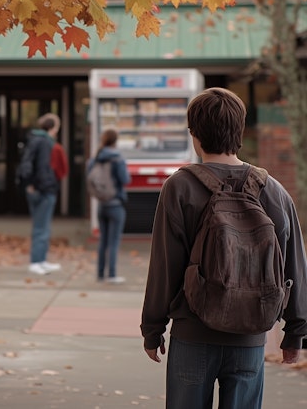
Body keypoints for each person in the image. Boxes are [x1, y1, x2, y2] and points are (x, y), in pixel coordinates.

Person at [140, 87, 307, 408]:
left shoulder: (179, 187)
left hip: (193, 335)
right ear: (239, 131)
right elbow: (294, 265)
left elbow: (165, 265)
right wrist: (296, 331)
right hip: (251, 336)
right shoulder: (273, 190)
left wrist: (153, 327)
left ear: (195, 134)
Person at [18, 113, 68, 275]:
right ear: (53, 127)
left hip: (38, 189)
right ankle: (36, 261)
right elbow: (42, 167)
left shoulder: (36, 140)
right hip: (43, 190)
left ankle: (41, 260)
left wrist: (30, 185)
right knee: (42, 228)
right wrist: (41, 186)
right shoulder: (45, 142)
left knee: (42, 226)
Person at [86, 128, 131, 283]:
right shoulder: (117, 158)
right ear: (115, 141)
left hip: (101, 205)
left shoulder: (95, 158)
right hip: (116, 204)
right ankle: (111, 274)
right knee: (114, 241)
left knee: (103, 241)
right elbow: (125, 179)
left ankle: (100, 274)